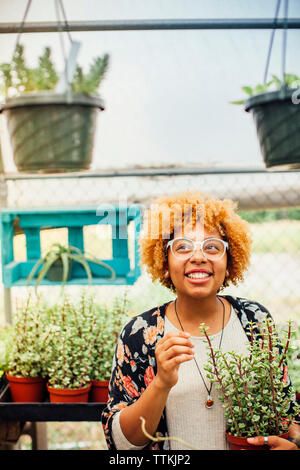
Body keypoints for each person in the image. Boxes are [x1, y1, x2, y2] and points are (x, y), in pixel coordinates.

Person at [101, 191, 299, 450]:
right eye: (182, 246)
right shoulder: (140, 333)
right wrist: (161, 383)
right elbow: (122, 444)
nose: (198, 257)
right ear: (164, 261)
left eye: (212, 247)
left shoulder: (255, 320)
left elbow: (287, 414)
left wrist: (294, 443)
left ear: (229, 262)